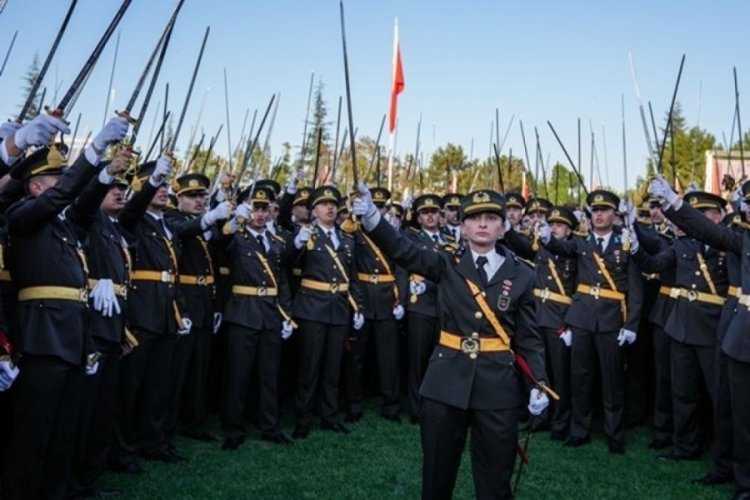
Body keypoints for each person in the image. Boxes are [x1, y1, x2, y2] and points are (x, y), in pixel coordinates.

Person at [353, 186, 548, 499]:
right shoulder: (445, 261)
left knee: (495, 481)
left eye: (490, 218)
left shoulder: (522, 273)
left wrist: (539, 382)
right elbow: (404, 250)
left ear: (503, 227)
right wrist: (374, 218)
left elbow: (529, 338)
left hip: (498, 385)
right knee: (437, 477)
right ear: (462, 227)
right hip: (445, 382)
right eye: (474, 218)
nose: (482, 224)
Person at [2, 115, 129, 499]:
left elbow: (84, 203)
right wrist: (91, 153)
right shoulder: (23, 215)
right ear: (36, 186)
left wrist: (103, 170)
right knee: (34, 435)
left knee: (63, 431)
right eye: (56, 181)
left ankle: (59, 493)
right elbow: (65, 196)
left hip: (72, 338)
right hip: (42, 339)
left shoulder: (63, 225)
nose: (64, 187)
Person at [650, 174, 750, 499]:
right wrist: (675, 203)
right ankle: (727, 469)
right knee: (731, 408)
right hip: (738, 332)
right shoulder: (743, 239)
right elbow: (706, 230)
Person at [538, 189, 643, 454]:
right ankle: (579, 430)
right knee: (580, 378)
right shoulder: (582, 242)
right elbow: (560, 246)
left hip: (611, 320)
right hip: (582, 318)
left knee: (612, 381)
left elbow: (635, 289)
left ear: (614, 214)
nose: (599, 215)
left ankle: (614, 435)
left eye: (604, 210)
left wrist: (630, 325)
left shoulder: (625, 243)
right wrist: (547, 237)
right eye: (594, 211)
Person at [630, 190, 728, 463]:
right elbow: (655, 263)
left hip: (713, 328)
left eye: (702, 216)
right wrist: (636, 248)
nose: (694, 222)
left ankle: (724, 455)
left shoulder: (727, 246)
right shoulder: (682, 245)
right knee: (681, 391)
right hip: (681, 326)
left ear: (718, 217)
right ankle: (685, 446)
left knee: (719, 396)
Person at [286, 185, 364, 439]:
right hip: (312, 307)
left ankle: (330, 416)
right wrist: (297, 243)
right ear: (314, 210)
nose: (330, 208)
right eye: (323, 204)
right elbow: (285, 263)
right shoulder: (306, 235)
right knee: (309, 367)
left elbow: (352, 278)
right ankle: (303, 417)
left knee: (333, 367)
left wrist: (358, 306)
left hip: (339, 309)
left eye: (333, 204)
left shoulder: (346, 238)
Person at [220, 184, 294, 449]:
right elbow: (221, 242)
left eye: (264, 209)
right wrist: (232, 219)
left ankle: (270, 426)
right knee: (239, 375)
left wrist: (286, 314)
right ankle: (233, 429)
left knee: (269, 374)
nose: (260, 214)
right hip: (243, 311)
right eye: (255, 209)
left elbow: (282, 280)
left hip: (270, 314)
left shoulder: (276, 242)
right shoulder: (236, 237)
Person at [504, 206, 578, 441]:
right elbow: (522, 247)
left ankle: (560, 421)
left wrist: (571, 323)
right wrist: (507, 228)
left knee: (559, 374)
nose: (554, 228)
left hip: (560, 318)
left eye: (559, 225)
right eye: (552, 224)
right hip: (537, 314)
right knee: (537, 372)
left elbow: (579, 290)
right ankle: (539, 416)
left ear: (569, 230)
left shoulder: (575, 253)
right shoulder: (541, 247)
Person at [345, 186, 403, 423]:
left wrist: (400, 297)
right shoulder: (354, 231)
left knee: (389, 357)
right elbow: (347, 265)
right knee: (356, 356)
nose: (376, 209)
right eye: (373, 205)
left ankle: (391, 405)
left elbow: (401, 266)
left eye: (380, 207)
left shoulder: (390, 232)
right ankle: (354, 404)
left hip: (387, 298)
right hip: (363, 296)